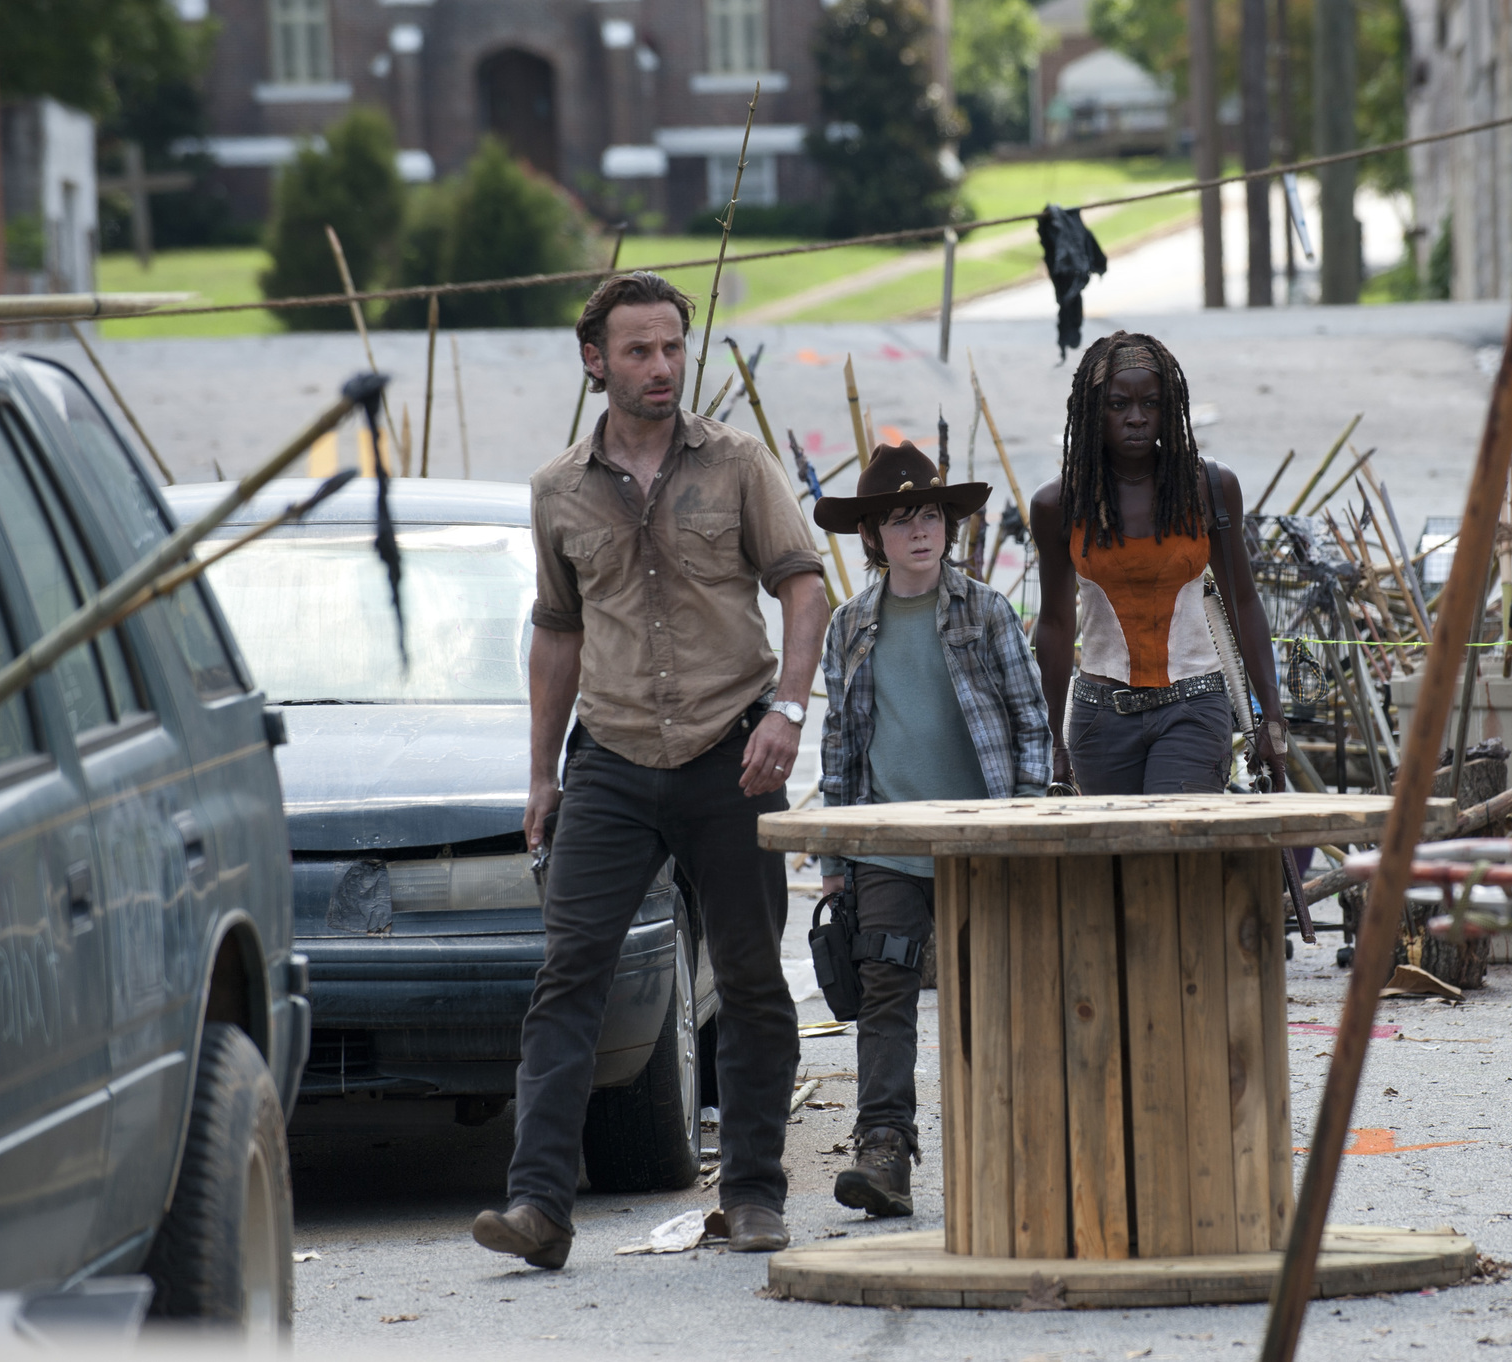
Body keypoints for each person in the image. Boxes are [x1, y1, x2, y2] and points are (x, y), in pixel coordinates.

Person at [472, 271, 829, 1268]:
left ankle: (753, 1197)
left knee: (753, 983)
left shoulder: (739, 465)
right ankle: (539, 1206)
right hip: (613, 763)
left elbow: (805, 591)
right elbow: (555, 633)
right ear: (595, 362)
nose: (660, 366)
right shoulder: (555, 491)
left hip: (734, 754)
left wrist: (789, 713)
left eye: (671, 347)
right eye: (637, 350)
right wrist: (541, 776)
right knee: (567, 977)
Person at [812, 441, 1050, 1217]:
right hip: (887, 846)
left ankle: (1009, 1150)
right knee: (884, 989)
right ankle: (884, 1152)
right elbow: (840, 745)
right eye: (898, 518)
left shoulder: (984, 611)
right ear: (873, 537)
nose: (918, 530)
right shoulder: (850, 625)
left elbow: (1030, 726)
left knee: (992, 993)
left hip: (980, 839)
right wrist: (835, 856)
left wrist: (1015, 827)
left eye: (930, 514)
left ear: (947, 525)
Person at [1032, 331, 1289, 795]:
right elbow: (1053, 623)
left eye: (1150, 403)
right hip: (1099, 716)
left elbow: (1244, 601)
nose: (1136, 418)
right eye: (1117, 405)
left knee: (1178, 849)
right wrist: (1053, 736)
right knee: (1115, 863)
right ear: (1093, 413)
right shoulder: (1059, 503)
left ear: (1169, 410)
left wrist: (1270, 713)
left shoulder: (1210, 487)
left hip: (1194, 707)